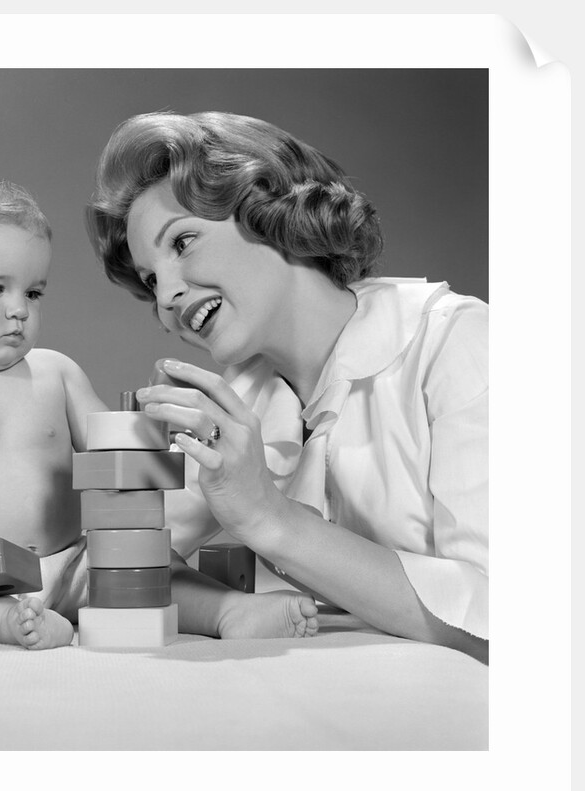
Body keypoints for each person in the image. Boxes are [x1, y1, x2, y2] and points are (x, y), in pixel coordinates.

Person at [84, 111, 488, 663]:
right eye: (151, 279)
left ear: (269, 210)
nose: (166, 297)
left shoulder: (461, 342)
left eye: (182, 242)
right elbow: (120, 566)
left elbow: (520, 623)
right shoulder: (242, 399)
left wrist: (268, 517)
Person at [0, 175, 319, 650]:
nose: (19, 309)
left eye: (34, 293)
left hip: (77, 560)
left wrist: (152, 418)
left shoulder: (55, 374)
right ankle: (4, 625)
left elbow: (117, 454)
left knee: (155, 565)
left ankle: (231, 611)